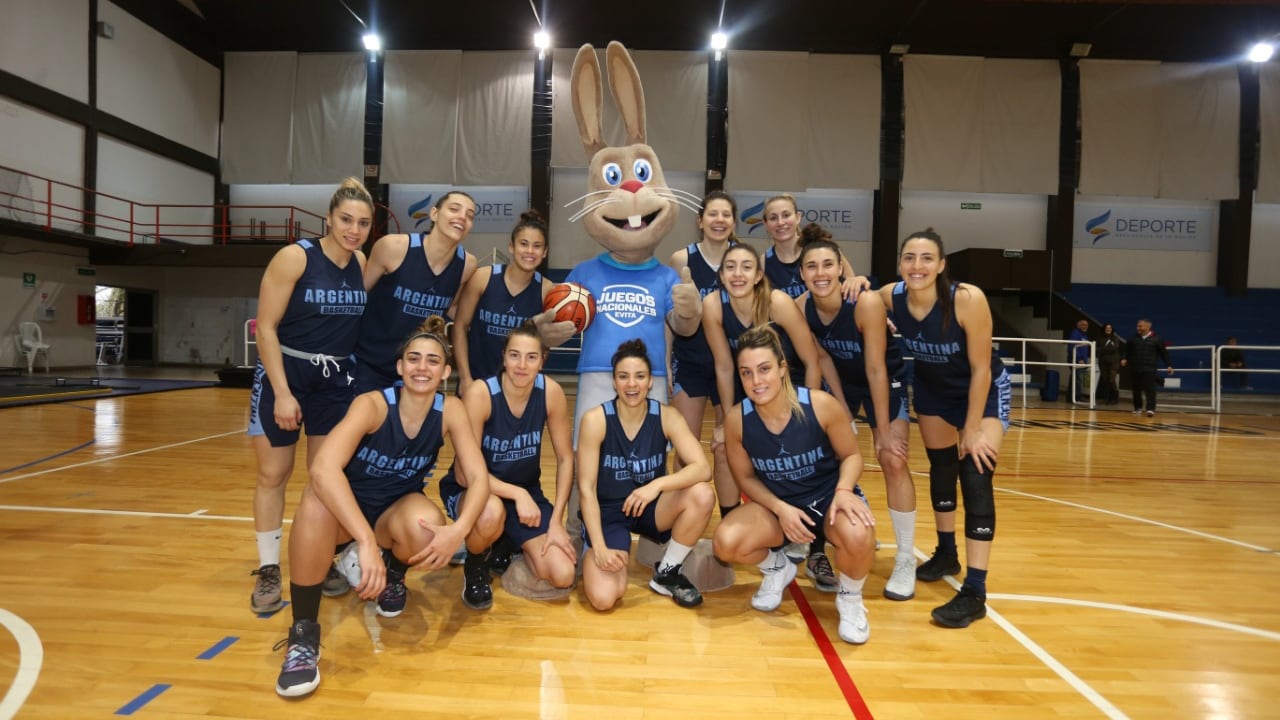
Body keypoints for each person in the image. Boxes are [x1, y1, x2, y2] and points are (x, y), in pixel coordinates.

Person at [274, 317, 491, 697]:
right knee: (314, 501)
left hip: (392, 515)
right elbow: (323, 468)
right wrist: (364, 540)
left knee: (428, 522)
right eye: (414, 359)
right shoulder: (372, 405)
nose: (422, 367)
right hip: (348, 515)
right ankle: (303, 635)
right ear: (400, 367)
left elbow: (479, 479)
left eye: (432, 361)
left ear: (445, 372)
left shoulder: (451, 410)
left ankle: (393, 574)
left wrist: (458, 530)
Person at [247, 178, 372, 614]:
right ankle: (267, 570)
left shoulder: (360, 261)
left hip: (335, 379)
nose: (353, 229)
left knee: (323, 478)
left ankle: (316, 557)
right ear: (328, 219)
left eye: (362, 223)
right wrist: (282, 392)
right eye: (346, 220)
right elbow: (264, 327)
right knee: (273, 474)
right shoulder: (295, 257)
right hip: (287, 372)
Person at [877, 228, 1012, 629]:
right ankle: (946, 552)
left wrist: (971, 429)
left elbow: (982, 368)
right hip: (934, 391)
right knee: (941, 469)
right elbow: (856, 292)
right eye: (909, 258)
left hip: (980, 390)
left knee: (975, 474)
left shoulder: (967, 299)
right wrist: (850, 276)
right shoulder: (891, 297)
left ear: (941, 265)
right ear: (900, 263)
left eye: (926, 258)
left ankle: (975, 590)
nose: (917, 266)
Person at [712, 326, 877, 644]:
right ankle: (777, 568)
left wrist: (844, 491)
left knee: (859, 535)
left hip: (829, 499)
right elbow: (745, 478)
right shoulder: (737, 420)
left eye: (764, 370)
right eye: (747, 373)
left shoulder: (821, 405)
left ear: (782, 368)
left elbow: (852, 455)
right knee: (726, 541)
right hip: (780, 507)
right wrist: (780, 508)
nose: (756, 381)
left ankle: (851, 598)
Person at [702, 242, 837, 585]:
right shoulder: (713, 306)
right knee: (722, 450)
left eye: (746, 267)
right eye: (730, 267)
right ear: (720, 275)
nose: (738, 274)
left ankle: (817, 549)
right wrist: (725, 422)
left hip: (794, 392)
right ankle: (738, 524)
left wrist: (810, 413)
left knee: (810, 459)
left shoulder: (777, 302)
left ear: (759, 274)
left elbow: (810, 360)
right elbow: (722, 366)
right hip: (757, 394)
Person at [796, 224, 917, 601]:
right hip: (844, 381)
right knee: (827, 455)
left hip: (883, 378)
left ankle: (906, 557)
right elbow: (822, 357)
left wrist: (881, 429)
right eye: (811, 266)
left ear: (840, 267)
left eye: (827, 265)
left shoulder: (865, 303)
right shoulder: (802, 307)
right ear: (802, 274)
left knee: (892, 458)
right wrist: (843, 411)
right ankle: (832, 539)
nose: (820, 273)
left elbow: (877, 369)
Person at [437, 320, 577, 609]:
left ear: (543, 360)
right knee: (490, 512)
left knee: (563, 574)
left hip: (525, 493)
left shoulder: (550, 393)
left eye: (531, 357)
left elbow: (565, 459)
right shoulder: (480, 394)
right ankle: (476, 568)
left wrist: (556, 522)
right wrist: (517, 494)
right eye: (514, 355)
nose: (522, 365)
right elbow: (465, 475)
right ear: (503, 356)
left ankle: (503, 544)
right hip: (475, 491)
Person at [576, 339, 715, 611]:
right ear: (614, 382)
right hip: (609, 513)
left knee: (702, 494)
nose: (631, 385)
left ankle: (667, 572)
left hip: (650, 506)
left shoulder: (667, 416)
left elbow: (703, 468)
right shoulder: (595, 420)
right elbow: (586, 489)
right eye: (623, 377)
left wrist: (657, 485)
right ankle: (591, 549)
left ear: (651, 381)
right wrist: (602, 548)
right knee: (605, 598)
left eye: (639, 376)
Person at [353, 191, 478, 393]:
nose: (462, 217)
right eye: (454, 209)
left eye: (470, 215)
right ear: (434, 214)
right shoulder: (393, 247)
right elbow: (356, 300)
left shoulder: (467, 265)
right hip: (369, 366)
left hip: (417, 373)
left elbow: (453, 307)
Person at [666, 191, 738, 519]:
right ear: (700, 220)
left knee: (726, 448)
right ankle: (678, 518)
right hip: (691, 362)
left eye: (726, 215)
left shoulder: (744, 259)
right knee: (686, 449)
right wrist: (666, 363)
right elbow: (670, 315)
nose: (719, 220)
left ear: (734, 222)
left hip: (733, 366)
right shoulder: (682, 259)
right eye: (713, 214)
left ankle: (731, 518)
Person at [451, 210, 556, 389]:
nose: (530, 251)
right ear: (511, 247)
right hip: (477, 382)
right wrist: (465, 378)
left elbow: (544, 344)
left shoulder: (547, 290)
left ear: (545, 252)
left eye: (537, 246)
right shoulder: (482, 278)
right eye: (524, 244)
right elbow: (460, 327)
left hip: (519, 387)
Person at [760, 193, 861, 301]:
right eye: (773, 218)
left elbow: (852, 285)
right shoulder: (764, 261)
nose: (780, 222)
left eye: (786, 215)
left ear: (798, 217)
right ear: (766, 224)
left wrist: (857, 281)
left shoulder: (823, 246)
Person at [1120, 318, 1174, 417]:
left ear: (1148, 327)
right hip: (1135, 368)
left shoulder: (1157, 339)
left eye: (1140, 326)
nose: (1138, 328)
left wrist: (1169, 365)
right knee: (1136, 389)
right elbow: (1126, 351)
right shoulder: (1132, 339)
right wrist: (1124, 358)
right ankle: (1138, 408)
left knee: (1150, 389)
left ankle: (1150, 409)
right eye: (1137, 326)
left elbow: (1164, 353)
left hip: (1150, 368)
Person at [1098, 323, 1122, 404]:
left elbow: (1114, 348)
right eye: (1107, 328)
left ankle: (1115, 398)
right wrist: (1106, 348)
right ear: (1104, 329)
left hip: (1113, 362)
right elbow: (1099, 348)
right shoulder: (1100, 338)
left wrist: (1104, 349)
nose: (1108, 329)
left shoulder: (1115, 338)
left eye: (1110, 328)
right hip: (1103, 362)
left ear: (1112, 329)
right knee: (1105, 380)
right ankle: (1107, 398)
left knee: (1111, 380)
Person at [1069, 319, 1092, 402]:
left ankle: (1071, 397)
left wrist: (1086, 360)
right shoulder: (1075, 333)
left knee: (1075, 378)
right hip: (1076, 360)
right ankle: (1077, 397)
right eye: (1083, 324)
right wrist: (1079, 359)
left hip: (1082, 360)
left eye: (1086, 325)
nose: (1085, 326)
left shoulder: (1084, 335)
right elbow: (1072, 347)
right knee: (1077, 379)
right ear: (1078, 325)